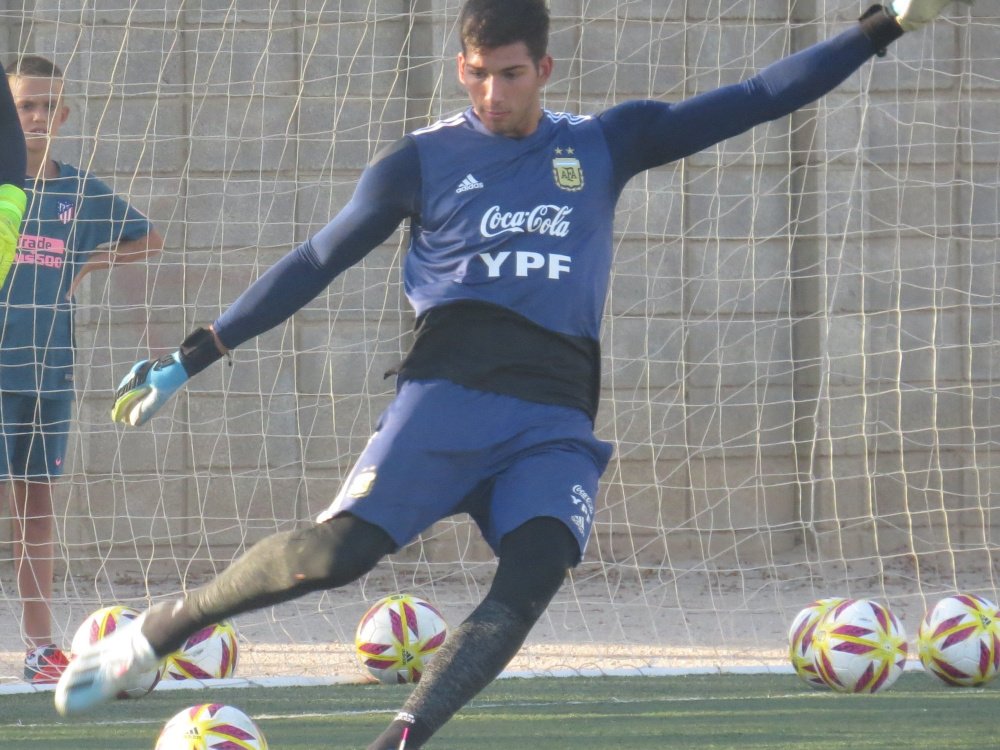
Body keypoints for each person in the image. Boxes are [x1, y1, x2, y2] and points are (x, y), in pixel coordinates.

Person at [56, 0, 963, 742]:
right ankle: (161, 632)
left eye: (513, 74)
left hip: (555, 416)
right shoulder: (421, 161)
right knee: (334, 559)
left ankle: (401, 738)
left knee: (535, 572)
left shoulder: (607, 143)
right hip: (446, 395)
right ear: (462, 69)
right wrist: (194, 354)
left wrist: (882, 23)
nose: (495, 92)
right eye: (480, 73)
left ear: (546, 71)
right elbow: (317, 258)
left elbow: (760, 94)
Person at [2, 55, 164, 684]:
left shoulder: (78, 191)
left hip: (50, 374)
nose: (37, 117)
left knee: (37, 510)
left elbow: (148, 239)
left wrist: (82, 267)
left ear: (63, 115)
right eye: (23, 106)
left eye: (47, 106)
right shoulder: (2, 190)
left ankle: (39, 646)